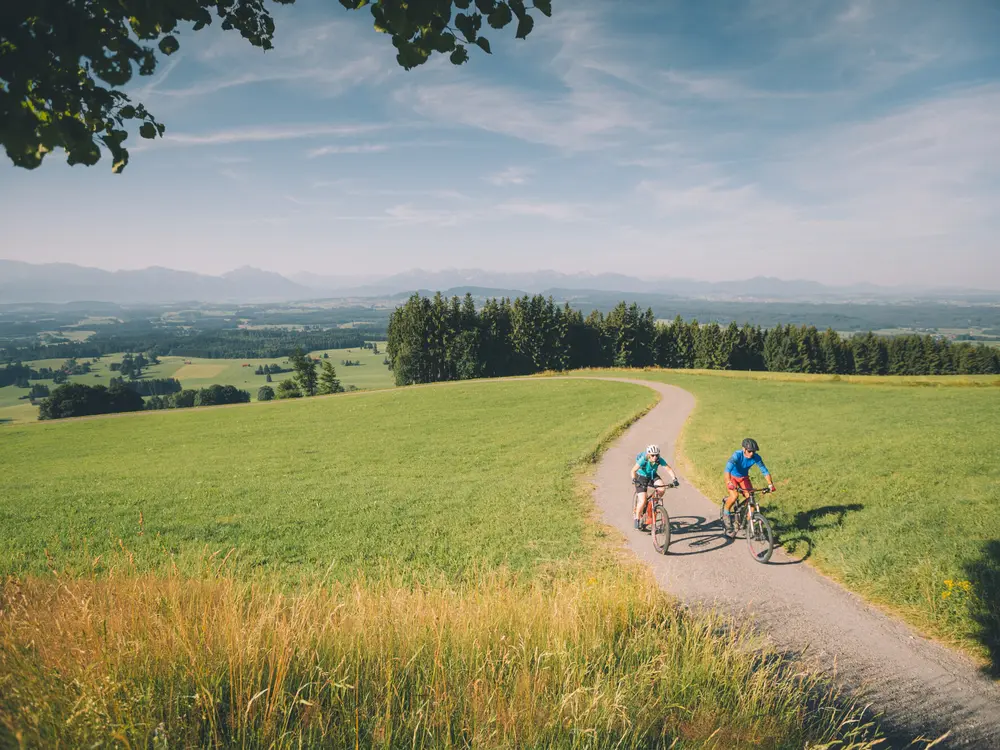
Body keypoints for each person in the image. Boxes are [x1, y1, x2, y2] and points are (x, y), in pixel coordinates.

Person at [722, 437, 776, 533]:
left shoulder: (756, 457)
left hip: (744, 478)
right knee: (734, 496)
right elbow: (727, 470)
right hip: (732, 477)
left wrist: (770, 484)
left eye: (753, 452)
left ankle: (748, 524)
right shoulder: (737, 455)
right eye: (749, 451)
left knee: (751, 501)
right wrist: (728, 482)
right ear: (744, 449)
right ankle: (726, 514)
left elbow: (764, 471)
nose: (751, 454)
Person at [631, 444, 678, 529]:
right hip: (641, 477)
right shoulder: (644, 459)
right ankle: (637, 518)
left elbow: (668, 468)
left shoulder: (659, 459)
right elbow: (633, 470)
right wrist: (634, 479)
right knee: (642, 500)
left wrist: (674, 479)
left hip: (653, 476)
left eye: (656, 455)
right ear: (649, 455)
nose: (655, 457)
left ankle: (652, 505)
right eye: (652, 455)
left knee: (662, 489)